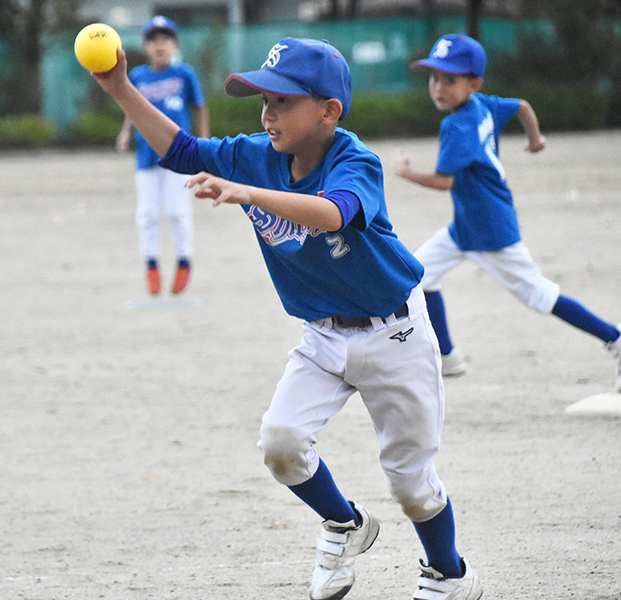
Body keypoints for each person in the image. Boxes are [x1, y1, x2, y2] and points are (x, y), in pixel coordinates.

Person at [92, 38, 484, 600]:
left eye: (283, 102)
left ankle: (450, 573)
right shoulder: (255, 154)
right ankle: (346, 524)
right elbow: (180, 151)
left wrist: (247, 192)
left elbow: (333, 214)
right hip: (322, 334)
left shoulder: (354, 160)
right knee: (280, 439)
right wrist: (120, 88)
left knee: (411, 485)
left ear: (329, 110)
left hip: (394, 332)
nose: (267, 114)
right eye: (263, 101)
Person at [394, 33, 621, 393]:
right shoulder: (482, 104)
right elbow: (523, 106)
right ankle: (447, 356)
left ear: (473, 82)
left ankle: (618, 337)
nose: (438, 86)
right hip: (468, 226)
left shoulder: (457, 125)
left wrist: (404, 172)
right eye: (434, 77)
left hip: (491, 232)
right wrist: (534, 139)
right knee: (417, 276)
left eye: (450, 79)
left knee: (539, 295)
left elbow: (443, 181)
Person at [116, 16, 210, 295]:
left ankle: (183, 261)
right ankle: (152, 264)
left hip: (179, 156)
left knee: (177, 211)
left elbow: (200, 107)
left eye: (165, 39)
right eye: (154, 40)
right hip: (146, 155)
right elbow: (132, 109)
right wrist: (124, 133)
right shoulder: (138, 77)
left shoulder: (184, 74)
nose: (160, 45)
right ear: (146, 46)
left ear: (174, 45)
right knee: (147, 213)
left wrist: (204, 142)